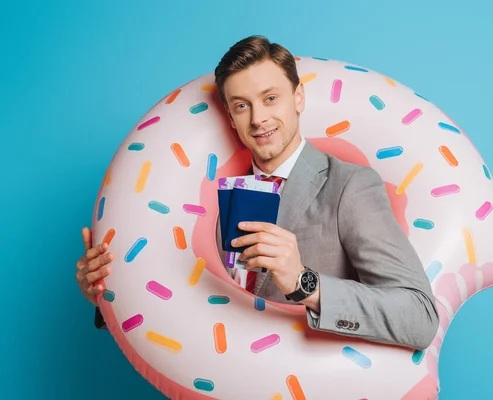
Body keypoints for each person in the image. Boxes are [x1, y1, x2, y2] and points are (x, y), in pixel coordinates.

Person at [76, 35, 439, 350]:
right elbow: (178, 311)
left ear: (298, 97)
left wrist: (304, 282)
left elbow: (420, 317)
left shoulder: (350, 185)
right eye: (242, 106)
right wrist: (109, 295)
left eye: (270, 98)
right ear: (231, 117)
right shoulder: (205, 206)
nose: (258, 119)